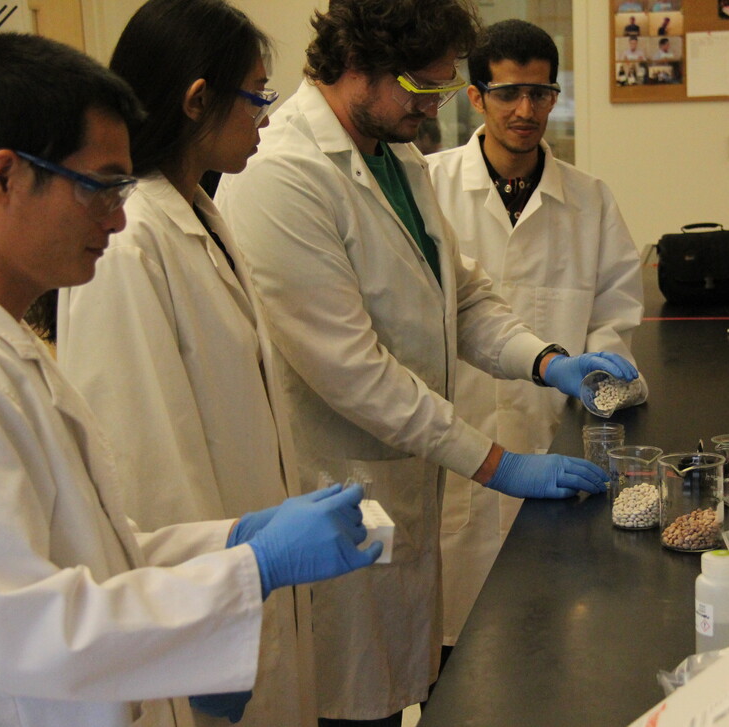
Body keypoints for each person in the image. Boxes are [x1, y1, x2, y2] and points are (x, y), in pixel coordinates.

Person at [215, 1, 637, 724]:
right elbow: (355, 373)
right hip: (337, 484)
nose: (436, 110)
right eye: (424, 90)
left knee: (399, 691)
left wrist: (544, 359)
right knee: (345, 701)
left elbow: (462, 292)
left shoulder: (394, 154)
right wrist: (499, 463)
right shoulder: (283, 173)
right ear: (358, 67)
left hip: (401, 485)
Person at [0, 32, 381, 727]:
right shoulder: (129, 252)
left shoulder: (13, 349)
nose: (117, 214)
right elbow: (28, 626)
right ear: (5, 177)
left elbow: (99, 546)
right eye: (101, 187)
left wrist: (234, 539)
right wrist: (245, 572)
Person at [56, 1, 315, 724]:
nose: (267, 115)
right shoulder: (128, 238)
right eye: (258, 95)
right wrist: (207, 620)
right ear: (198, 98)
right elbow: (145, 466)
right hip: (199, 617)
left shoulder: (200, 207)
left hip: (243, 590)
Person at [427, 18, 645, 655]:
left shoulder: (590, 200)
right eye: (508, 94)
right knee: (453, 648)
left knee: (552, 641)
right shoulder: (429, 188)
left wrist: (602, 373)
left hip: (557, 445)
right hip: (453, 447)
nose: (526, 111)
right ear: (476, 97)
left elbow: (617, 311)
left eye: (541, 94)